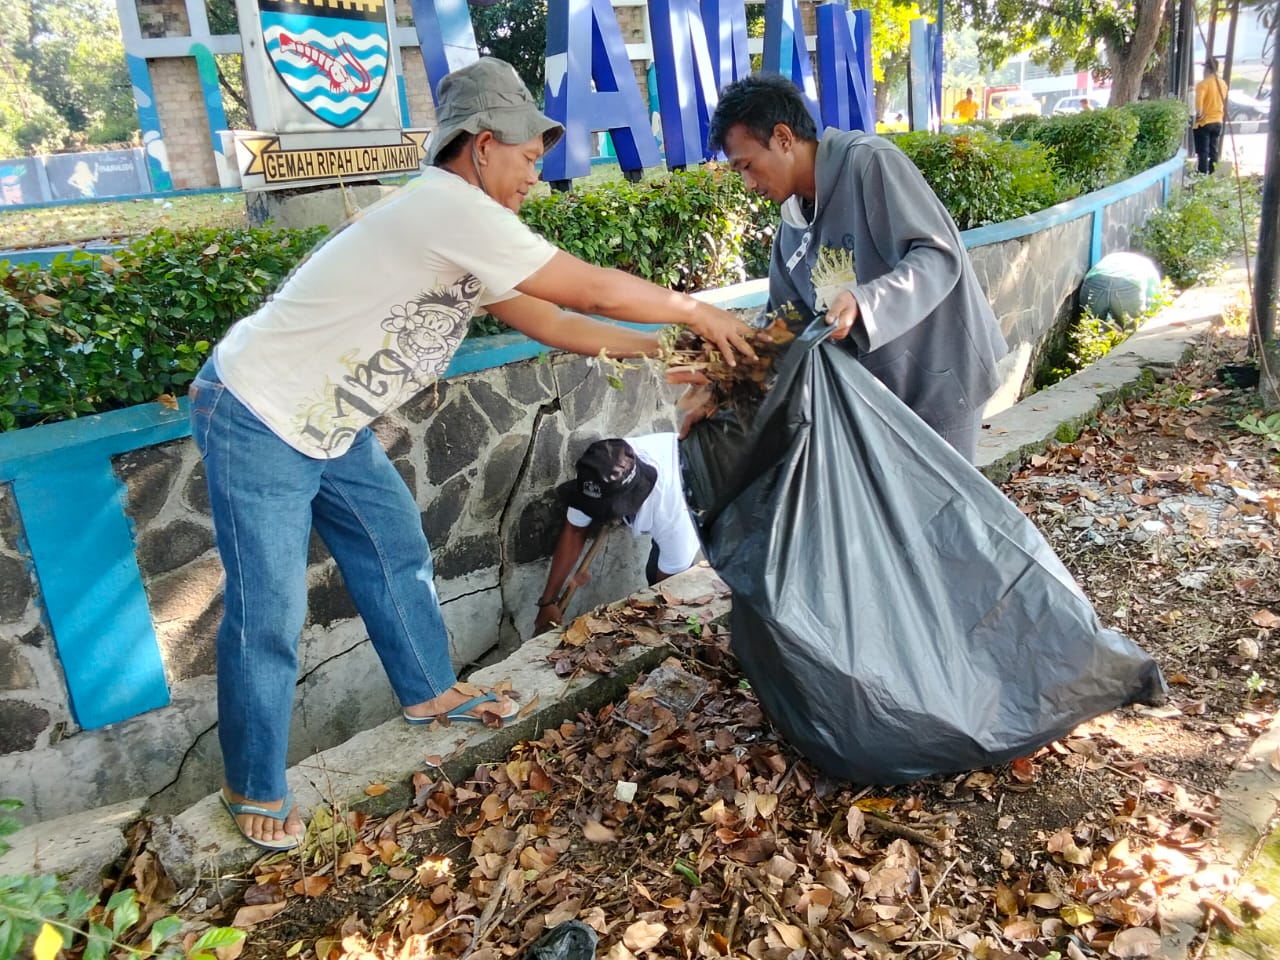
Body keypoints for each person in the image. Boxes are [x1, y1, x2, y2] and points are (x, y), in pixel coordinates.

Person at [189, 57, 756, 851]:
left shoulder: (460, 233)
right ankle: (251, 782)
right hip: (256, 410)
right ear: (482, 146)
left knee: (394, 551)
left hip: (329, 421)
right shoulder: (446, 207)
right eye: (528, 158)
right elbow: (585, 290)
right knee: (269, 614)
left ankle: (428, 693)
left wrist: (661, 348)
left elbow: (555, 324)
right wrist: (696, 311)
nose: (534, 174)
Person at [706, 74, 1008, 462]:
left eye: (747, 165)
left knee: (946, 513)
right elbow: (784, 322)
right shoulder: (791, 228)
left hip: (942, 379)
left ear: (783, 137)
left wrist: (865, 303)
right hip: (881, 399)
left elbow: (938, 255)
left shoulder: (869, 162)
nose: (748, 183)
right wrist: (727, 385)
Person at [534, 435, 699, 634]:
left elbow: (668, 589)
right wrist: (547, 602)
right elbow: (575, 530)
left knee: (659, 585)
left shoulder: (674, 517)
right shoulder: (601, 472)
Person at [1194, 58, 1228, 175]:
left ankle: (1202, 176)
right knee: (1213, 150)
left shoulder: (1202, 85)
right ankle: (1213, 173)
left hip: (1205, 122)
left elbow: (1199, 107)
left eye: (1204, 68)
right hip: (1218, 121)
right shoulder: (1223, 84)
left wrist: (1198, 115)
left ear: (1207, 68)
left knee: (1203, 151)